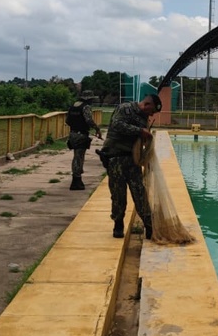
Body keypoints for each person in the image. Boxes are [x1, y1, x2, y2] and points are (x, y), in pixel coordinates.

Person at [99, 94, 160, 238]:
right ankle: (118, 224)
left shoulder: (143, 117)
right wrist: (139, 131)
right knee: (118, 194)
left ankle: (149, 225)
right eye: (151, 111)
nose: (151, 115)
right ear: (146, 104)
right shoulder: (125, 108)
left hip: (133, 160)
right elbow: (117, 125)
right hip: (116, 158)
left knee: (139, 192)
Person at [66, 90, 102, 190]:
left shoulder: (73, 105)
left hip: (72, 133)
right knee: (79, 157)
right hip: (81, 135)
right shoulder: (86, 107)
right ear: (89, 99)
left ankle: (76, 179)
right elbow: (89, 120)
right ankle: (76, 181)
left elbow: (67, 120)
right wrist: (97, 128)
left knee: (76, 157)